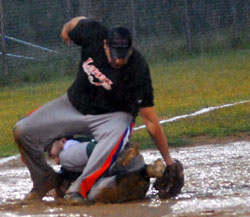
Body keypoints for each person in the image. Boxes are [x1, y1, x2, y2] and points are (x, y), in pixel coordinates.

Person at [13, 16, 180, 202]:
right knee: (23, 130)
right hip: (73, 105)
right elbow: (75, 23)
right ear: (105, 44)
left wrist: (169, 161)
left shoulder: (138, 69)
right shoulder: (93, 34)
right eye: (114, 54)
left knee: (117, 133)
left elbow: (150, 120)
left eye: (123, 56)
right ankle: (44, 179)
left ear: (131, 49)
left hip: (112, 117)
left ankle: (79, 189)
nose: (118, 60)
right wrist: (66, 31)